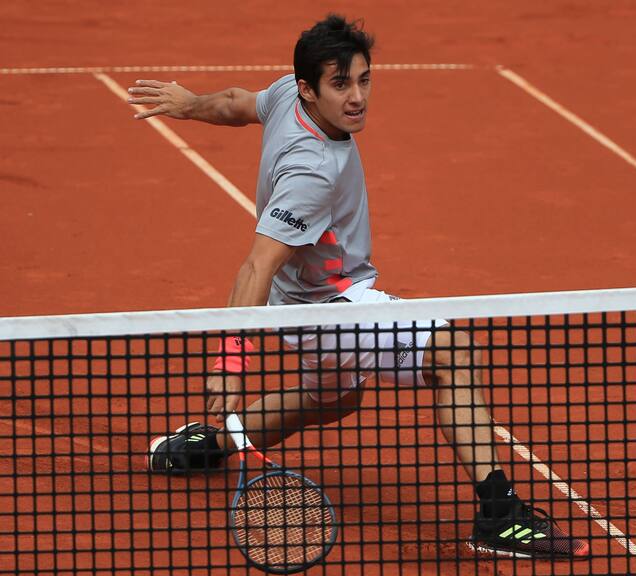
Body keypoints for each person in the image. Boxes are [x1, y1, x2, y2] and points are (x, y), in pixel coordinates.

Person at [127, 14, 588, 559]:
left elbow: (234, 102)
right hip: (331, 306)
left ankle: (207, 446)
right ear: (310, 88)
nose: (357, 97)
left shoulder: (285, 96)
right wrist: (230, 362)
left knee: (334, 401)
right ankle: (500, 515)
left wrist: (189, 103)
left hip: (303, 303)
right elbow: (255, 268)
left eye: (363, 80)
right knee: (452, 352)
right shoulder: (313, 171)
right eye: (341, 85)